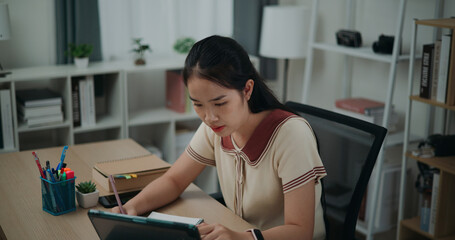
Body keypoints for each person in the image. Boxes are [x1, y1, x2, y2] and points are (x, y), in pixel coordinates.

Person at [113, 35, 327, 240]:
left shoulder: (291, 135)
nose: (209, 117)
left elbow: (300, 232)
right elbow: (175, 180)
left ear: (247, 89)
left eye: (220, 103)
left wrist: (241, 238)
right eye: (198, 104)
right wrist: (131, 207)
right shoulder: (216, 128)